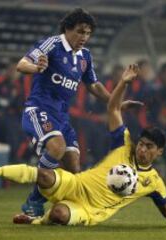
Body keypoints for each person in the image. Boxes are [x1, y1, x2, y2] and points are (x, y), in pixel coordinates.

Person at [0, 65, 166, 228]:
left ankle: (36, 221)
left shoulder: (154, 182)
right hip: (77, 184)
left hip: (90, 212)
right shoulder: (124, 144)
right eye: (141, 144)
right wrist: (123, 82)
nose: (142, 149)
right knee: (45, 175)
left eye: (148, 147)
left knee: (59, 214)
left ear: (159, 152)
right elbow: (113, 109)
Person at [15, 8, 137, 217]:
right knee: (57, 147)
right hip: (39, 109)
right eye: (80, 32)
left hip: (62, 117)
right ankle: (33, 202)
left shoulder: (85, 56)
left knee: (73, 166)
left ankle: (64, 209)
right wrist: (36, 69)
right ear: (67, 29)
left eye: (88, 33)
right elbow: (22, 64)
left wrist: (117, 102)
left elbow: (94, 85)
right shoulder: (52, 44)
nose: (84, 37)